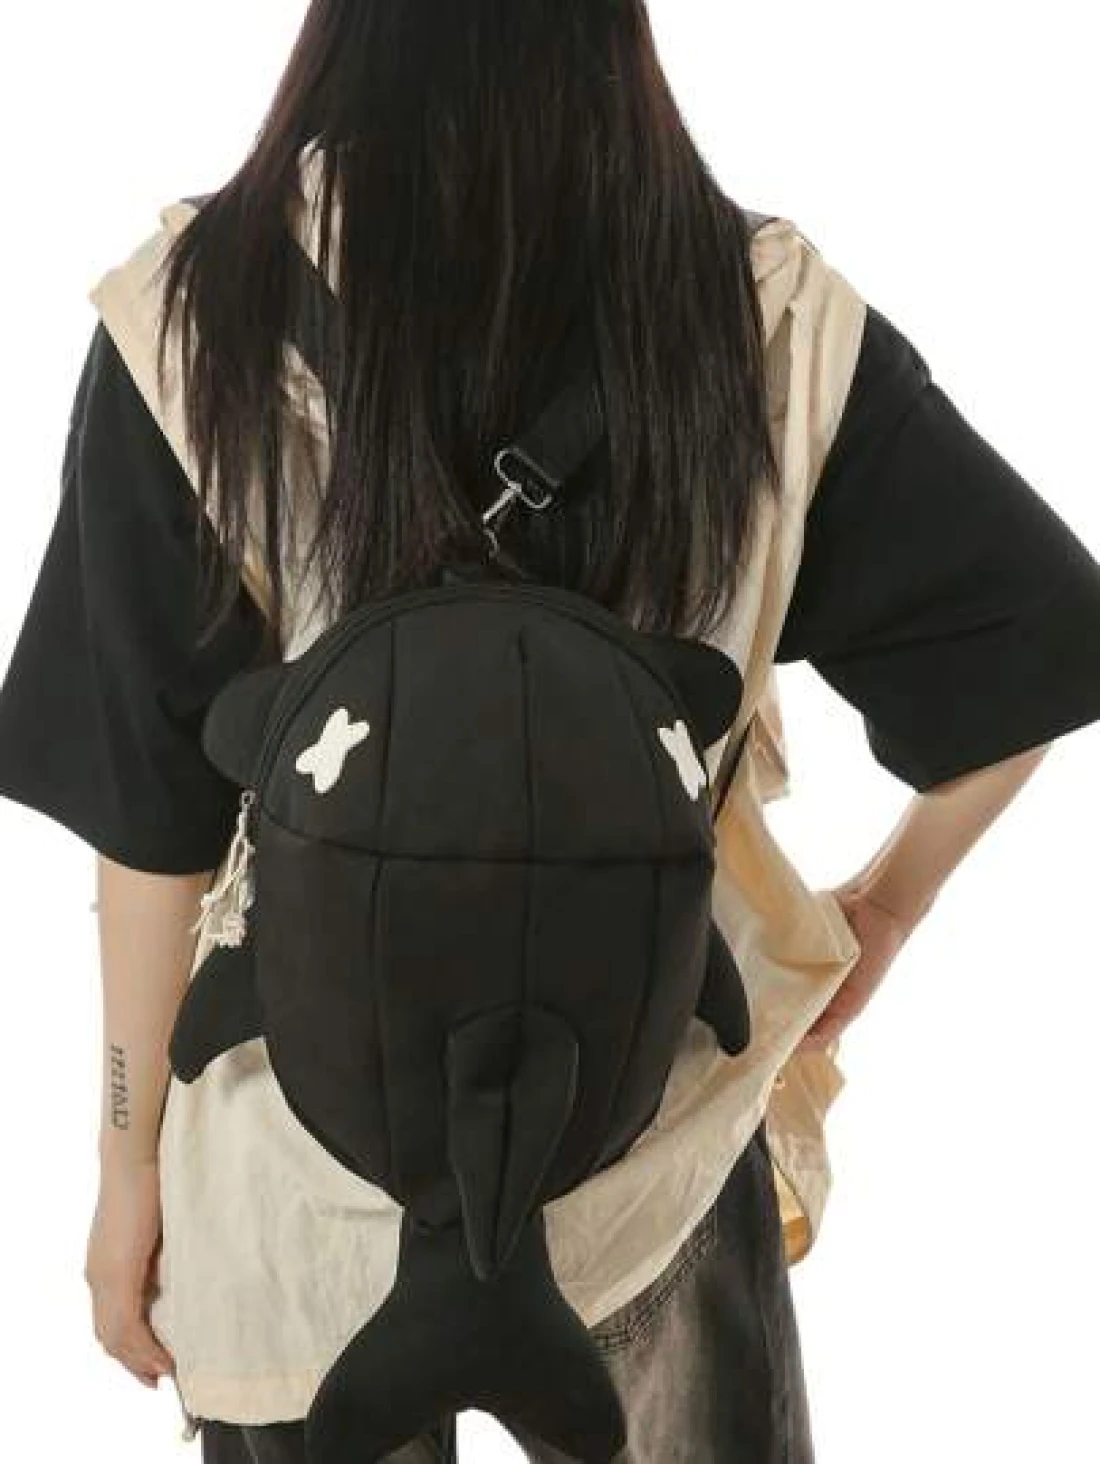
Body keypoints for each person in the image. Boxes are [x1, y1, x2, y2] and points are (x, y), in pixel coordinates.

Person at [1, 3, 1099, 1461]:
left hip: (294, 1169)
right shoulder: (763, 318)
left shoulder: (200, 317)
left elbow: (152, 822)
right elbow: (1048, 636)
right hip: (652, 1135)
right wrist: (886, 910)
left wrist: (128, 1162)